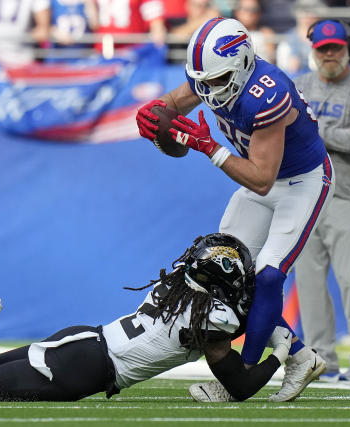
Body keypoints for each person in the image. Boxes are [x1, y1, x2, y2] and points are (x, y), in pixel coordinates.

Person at [0, 234, 293, 402]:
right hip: (89, 367)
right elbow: (239, 385)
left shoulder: (176, 283)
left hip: (85, 338)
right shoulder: (211, 317)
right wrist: (280, 355)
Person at [136, 17, 334, 402]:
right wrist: (152, 112)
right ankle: (299, 356)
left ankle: (241, 374)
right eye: (203, 82)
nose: (208, 92)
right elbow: (175, 102)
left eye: (216, 81)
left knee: (269, 276)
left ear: (243, 62)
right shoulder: (214, 74)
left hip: (300, 181)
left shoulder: (268, 92)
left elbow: (261, 178)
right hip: (260, 178)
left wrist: (210, 148)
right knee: (222, 274)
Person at [294, 19, 350, 382]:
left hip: (347, 195)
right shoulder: (298, 85)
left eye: (336, 48)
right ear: (314, 51)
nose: (329, 55)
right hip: (305, 196)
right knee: (309, 283)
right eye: (323, 49)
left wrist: (312, 128)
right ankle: (321, 358)